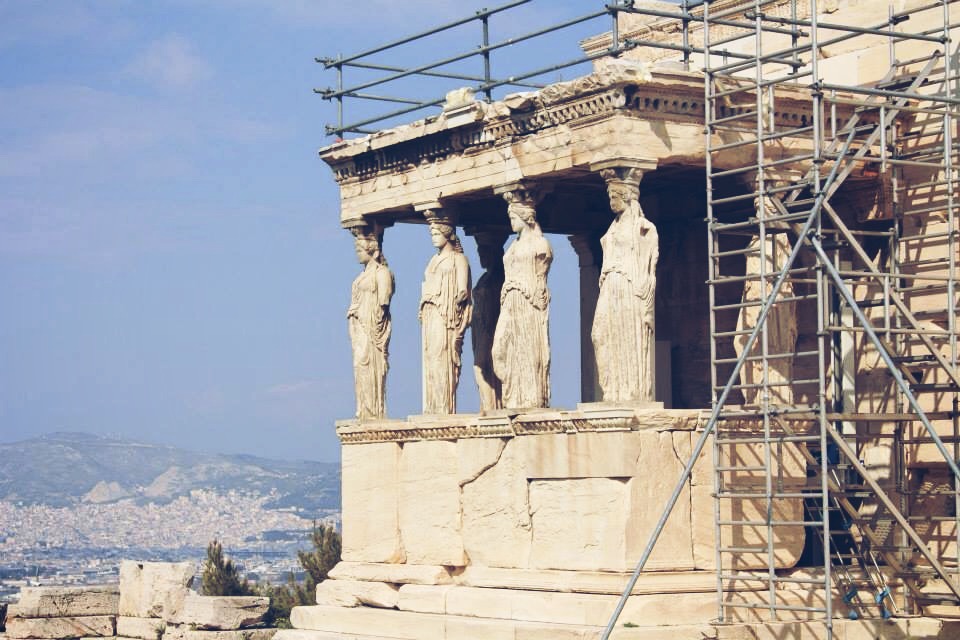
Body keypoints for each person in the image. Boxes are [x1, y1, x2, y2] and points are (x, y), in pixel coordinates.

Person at [592, 176, 659, 402]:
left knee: (629, 337)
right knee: (599, 335)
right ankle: (612, 390)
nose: (611, 201)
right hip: (610, 285)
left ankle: (631, 393)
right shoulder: (614, 227)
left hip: (630, 286)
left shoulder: (644, 228)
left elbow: (651, 268)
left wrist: (646, 295)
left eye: (614, 196)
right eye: (609, 196)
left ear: (627, 196)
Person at [492, 197, 552, 409]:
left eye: (513, 217)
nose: (511, 222)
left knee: (528, 348)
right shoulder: (513, 245)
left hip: (528, 302)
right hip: (510, 300)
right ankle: (513, 395)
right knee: (499, 349)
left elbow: (541, 278)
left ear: (525, 216)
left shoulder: (540, 244)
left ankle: (529, 399)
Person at [419, 215, 472, 414]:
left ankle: (444, 407)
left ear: (447, 233)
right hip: (431, 313)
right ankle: (432, 406)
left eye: (436, 233)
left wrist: (455, 298)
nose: (433, 237)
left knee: (444, 357)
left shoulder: (459, 259)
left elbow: (463, 290)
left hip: (447, 315)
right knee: (432, 358)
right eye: (431, 233)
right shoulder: (433, 260)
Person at [347, 229, 395, 420]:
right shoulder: (362, 275)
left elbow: (383, 301)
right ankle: (365, 410)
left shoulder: (382, 273)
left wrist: (370, 317)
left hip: (372, 325)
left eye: (360, 249)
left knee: (370, 364)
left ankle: (374, 411)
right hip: (359, 326)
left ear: (373, 251)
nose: (357, 252)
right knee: (359, 366)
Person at [471, 232, 507, 413]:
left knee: (487, 364)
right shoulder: (484, 279)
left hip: (494, 328)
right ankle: (488, 405)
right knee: (480, 365)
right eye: (479, 252)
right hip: (480, 328)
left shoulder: (501, 278)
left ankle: (494, 406)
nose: (481, 257)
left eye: (485, 252)